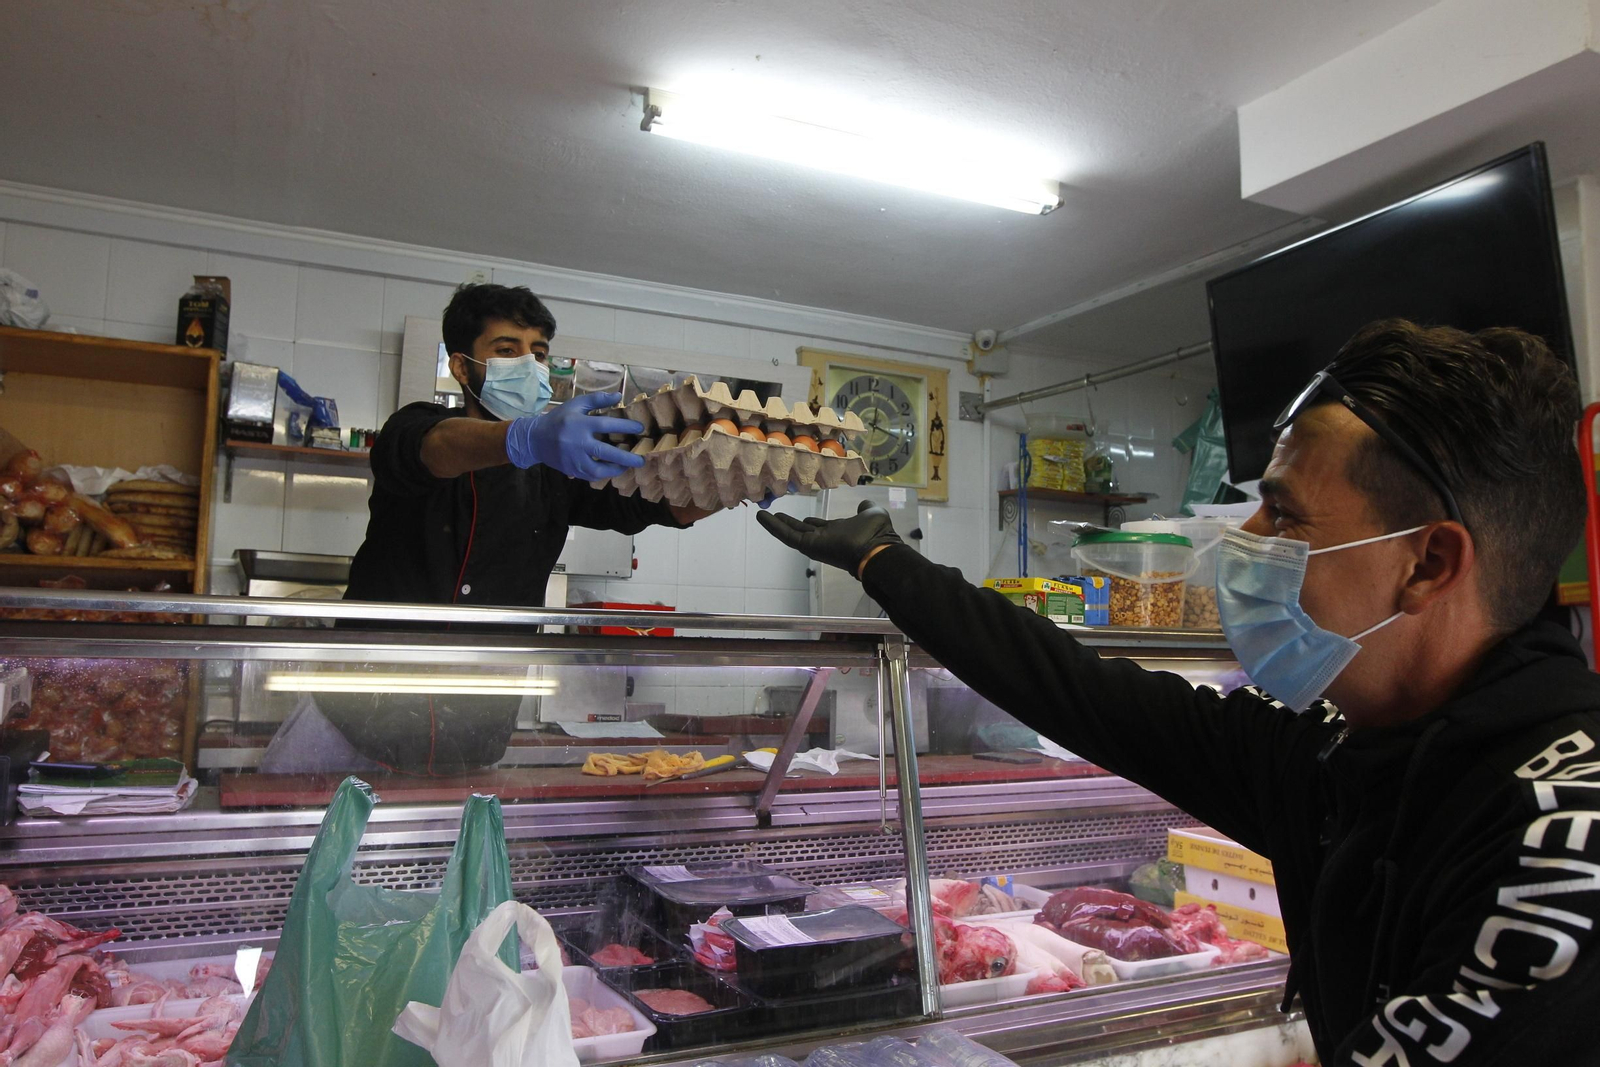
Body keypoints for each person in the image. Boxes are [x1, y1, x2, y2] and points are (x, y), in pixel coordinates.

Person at [758, 319, 1599, 1064]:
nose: (1244, 539)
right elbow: (1087, 695)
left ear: (1429, 563)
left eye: (1282, 512)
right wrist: (885, 562)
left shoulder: (1557, 842)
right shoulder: (1339, 741)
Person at [266, 283, 713, 776]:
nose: (528, 363)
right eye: (506, 350)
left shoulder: (554, 474)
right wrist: (526, 437)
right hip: (350, 728)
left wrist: (738, 479)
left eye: (538, 353)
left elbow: (663, 507)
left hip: (472, 737)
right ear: (461, 367)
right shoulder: (416, 429)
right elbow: (437, 448)